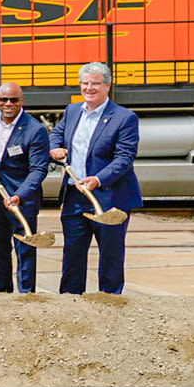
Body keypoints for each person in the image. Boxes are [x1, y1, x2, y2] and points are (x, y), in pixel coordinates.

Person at [49, 62, 142, 294]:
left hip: (109, 197)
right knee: (72, 254)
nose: (89, 88)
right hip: (74, 196)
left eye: (95, 83)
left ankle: (110, 302)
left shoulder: (124, 118)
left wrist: (97, 179)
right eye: (85, 83)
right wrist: (54, 148)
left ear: (107, 86)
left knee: (111, 255)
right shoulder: (72, 111)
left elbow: (124, 158)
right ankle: (71, 302)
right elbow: (56, 134)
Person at [0, 82, 50, 293]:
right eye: (3, 99)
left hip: (22, 198)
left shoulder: (35, 130)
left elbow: (38, 170)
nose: (8, 104)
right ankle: (0, 293)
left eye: (13, 100)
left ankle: (26, 295)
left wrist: (19, 195)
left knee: (25, 246)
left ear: (22, 101)